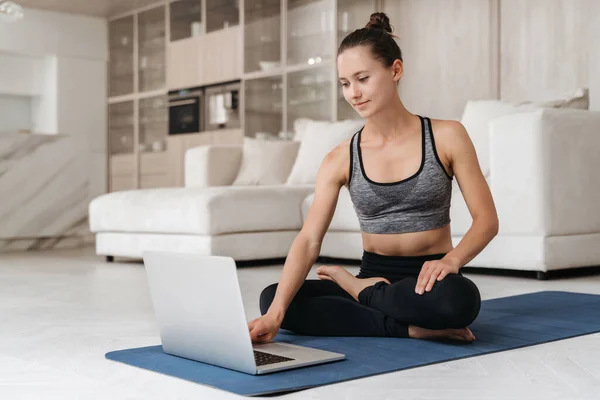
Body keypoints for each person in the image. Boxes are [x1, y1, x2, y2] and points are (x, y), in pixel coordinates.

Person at [248, 12, 499, 344]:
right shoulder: (339, 157)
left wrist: (452, 261)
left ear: (395, 70)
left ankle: (359, 291)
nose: (354, 93)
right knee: (273, 297)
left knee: (459, 301)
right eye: (345, 83)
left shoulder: (447, 136)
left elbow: (487, 221)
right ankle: (406, 327)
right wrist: (275, 314)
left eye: (362, 78)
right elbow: (309, 239)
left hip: (429, 279)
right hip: (376, 273)